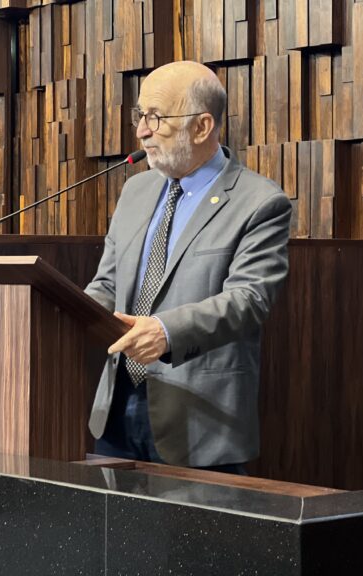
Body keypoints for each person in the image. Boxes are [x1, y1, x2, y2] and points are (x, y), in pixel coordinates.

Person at [84, 60, 291, 473]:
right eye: (139, 116)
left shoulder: (259, 202)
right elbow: (106, 284)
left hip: (200, 423)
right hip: (116, 409)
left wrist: (165, 332)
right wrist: (52, 314)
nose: (142, 130)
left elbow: (248, 301)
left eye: (156, 118)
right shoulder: (135, 191)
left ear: (202, 127)